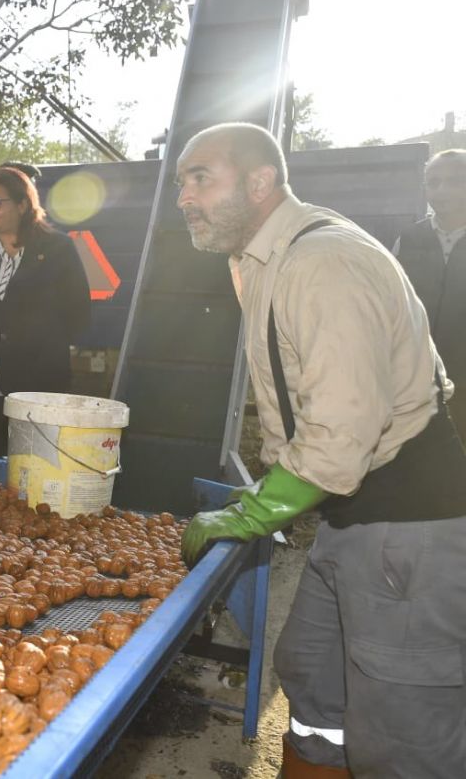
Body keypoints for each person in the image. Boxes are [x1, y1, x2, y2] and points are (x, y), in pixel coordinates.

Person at [175, 124, 466, 778]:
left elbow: (341, 433)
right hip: (352, 517)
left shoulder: (322, 262)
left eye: (201, 178)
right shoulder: (266, 260)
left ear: (260, 182)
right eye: (180, 183)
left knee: (405, 733)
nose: (184, 197)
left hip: (408, 531)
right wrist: (274, 486)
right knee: (312, 680)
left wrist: (253, 513)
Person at [0, 167, 90, 460]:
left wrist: (42, 343)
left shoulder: (57, 248)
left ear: (22, 204)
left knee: (34, 463)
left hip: (38, 381)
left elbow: (78, 310)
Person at [393, 149, 466, 423]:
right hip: (416, 379)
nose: (443, 190)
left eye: (456, 181)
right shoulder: (409, 239)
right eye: (434, 183)